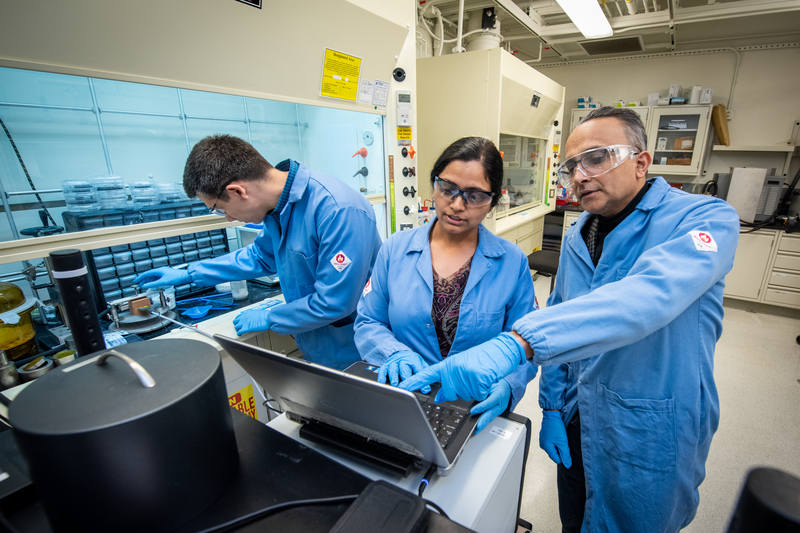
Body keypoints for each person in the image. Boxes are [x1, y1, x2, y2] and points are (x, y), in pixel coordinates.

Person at [400, 107, 740, 532]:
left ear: (641, 162)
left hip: (648, 427)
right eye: (571, 165)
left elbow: (648, 296)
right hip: (580, 420)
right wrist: (554, 408)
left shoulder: (704, 219)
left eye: (596, 158)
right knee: (575, 520)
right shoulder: (581, 233)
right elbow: (562, 317)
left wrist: (516, 344)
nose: (580, 175)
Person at [134, 134, 382, 370]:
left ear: (238, 191)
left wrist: (272, 317)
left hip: (357, 350)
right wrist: (189, 273)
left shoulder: (337, 209)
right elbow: (260, 256)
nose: (229, 218)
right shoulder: (280, 209)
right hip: (319, 345)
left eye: (220, 209)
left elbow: (335, 302)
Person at [354, 136, 538, 433]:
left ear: (492, 202)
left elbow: (527, 343)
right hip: (405, 398)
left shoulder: (512, 262)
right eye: (447, 189)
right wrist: (393, 352)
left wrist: (508, 385)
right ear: (434, 185)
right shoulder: (394, 250)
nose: (456, 205)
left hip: (473, 406)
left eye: (475, 195)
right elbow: (368, 322)